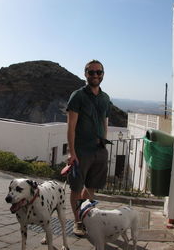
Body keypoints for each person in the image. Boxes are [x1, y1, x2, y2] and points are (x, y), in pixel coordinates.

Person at [66, 59, 111, 236]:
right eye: (91, 72)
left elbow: (104, 122)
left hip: (99, 149)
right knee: (76, 188)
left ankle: (85, 217)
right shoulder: (78, 96)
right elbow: (71, 126)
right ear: (85, 74)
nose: (95, 75)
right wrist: (72, 152)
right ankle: (77, 222)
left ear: (103, 75)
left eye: (98, 72)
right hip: (81, 150)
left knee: (91, 187)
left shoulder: (105, 98)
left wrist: (103, 142)